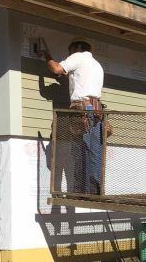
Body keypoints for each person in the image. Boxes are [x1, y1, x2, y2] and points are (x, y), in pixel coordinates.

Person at [41, 39, 106, 194]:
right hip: (97, 111)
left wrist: (46, 56)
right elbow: (72, 76)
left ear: (77, 48)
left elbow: (57, 69)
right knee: (95, 151)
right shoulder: (96, 65)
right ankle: (94, 191)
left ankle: (81, 191)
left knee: (80, 150)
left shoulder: (78, 57)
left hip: (81, 111)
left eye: (69, 51)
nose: (69, 55)